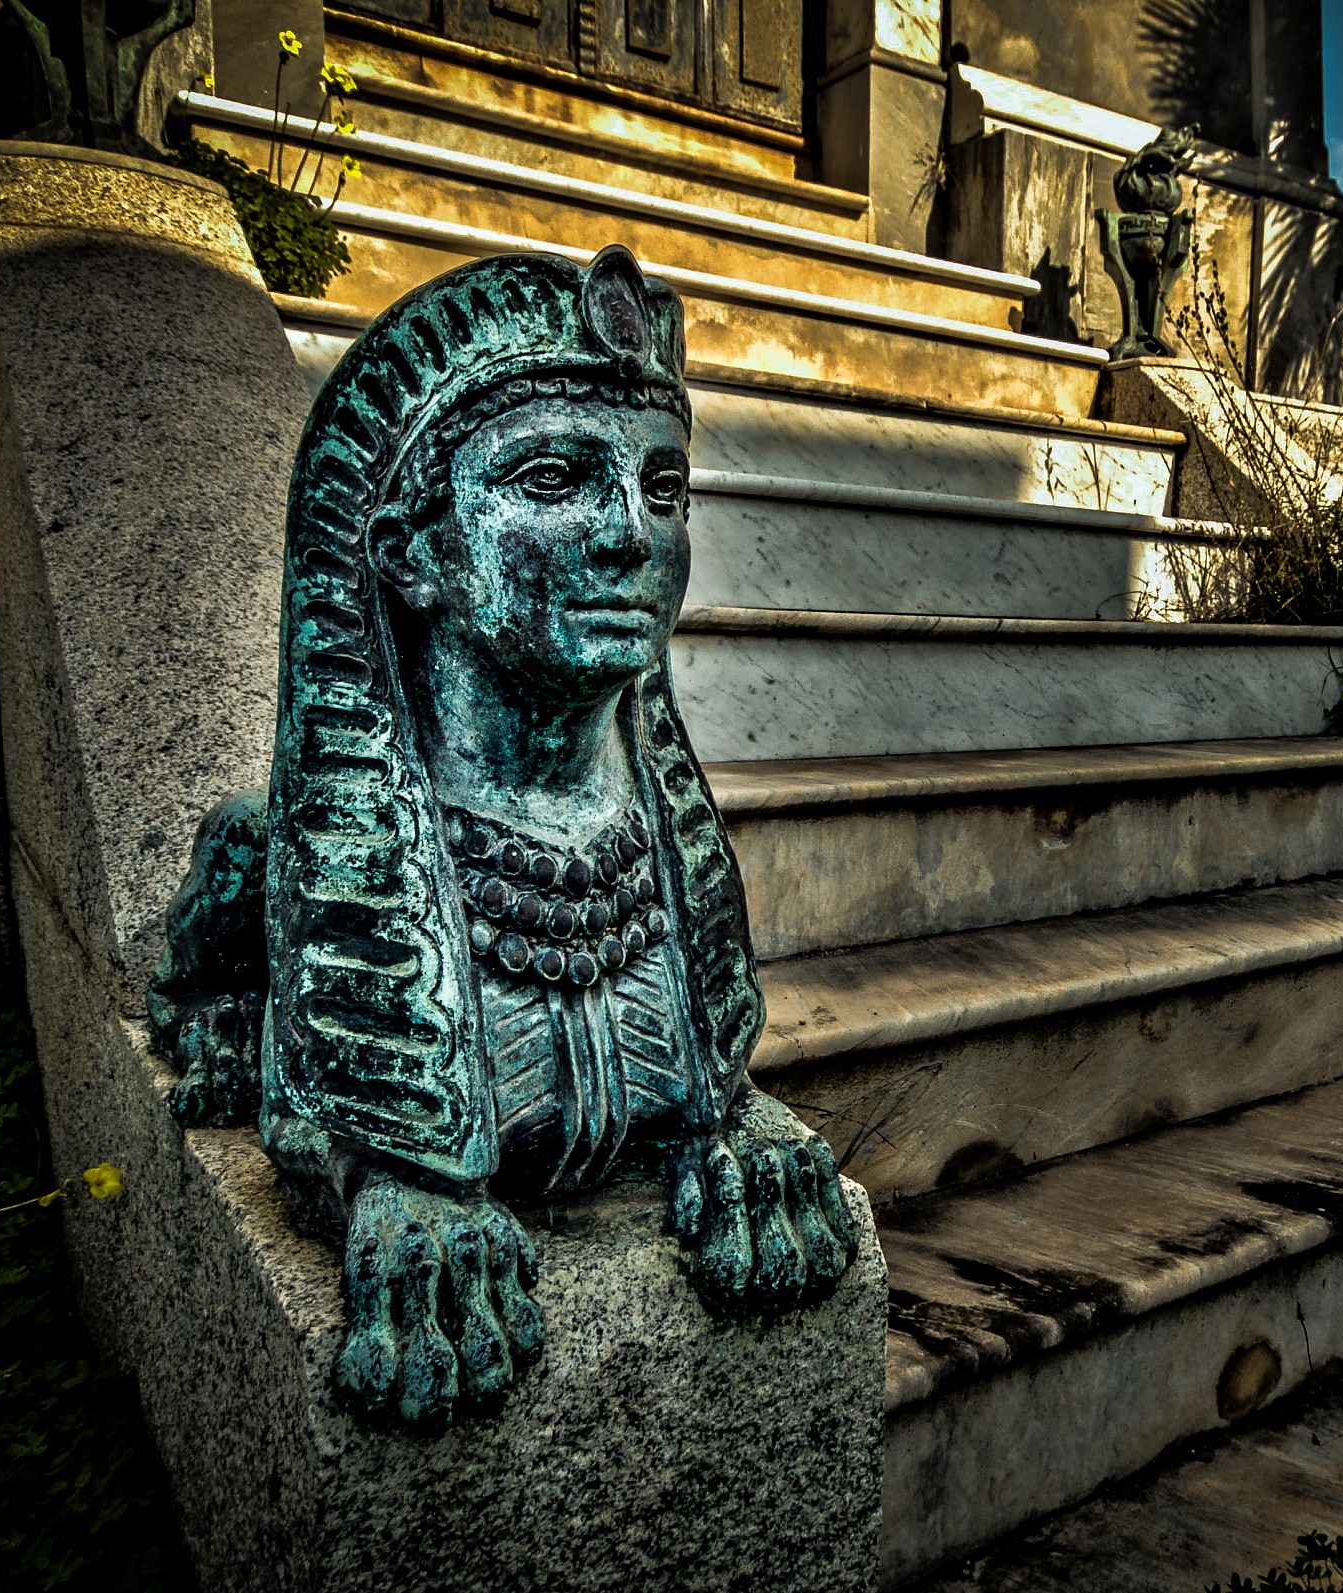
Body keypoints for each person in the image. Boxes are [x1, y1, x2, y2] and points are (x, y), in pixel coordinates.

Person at [149, 245, 857, 1428]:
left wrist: (737, 1121)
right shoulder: (362, 866)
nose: (633, 533)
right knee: (251, 846)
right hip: (322, 894)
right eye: (552, 477)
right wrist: (390, 1175)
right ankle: (206, 992)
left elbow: (712, 1079)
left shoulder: (656, 861)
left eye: (662, 487)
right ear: (414, 551)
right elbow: (313, 1102)